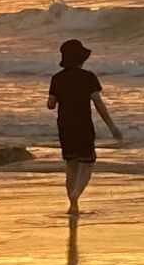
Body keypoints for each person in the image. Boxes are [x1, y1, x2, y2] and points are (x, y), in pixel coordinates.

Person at [49, 38, 121, 209]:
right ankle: (75, 196)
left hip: (64, 126)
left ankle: (73, 202)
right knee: (88, 163)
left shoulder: (57, 78)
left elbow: (51, 104)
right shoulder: (89, 77)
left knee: (71, 165)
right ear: (81, 59)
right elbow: (98, 103)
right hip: (83, 125)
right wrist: (112, 126)